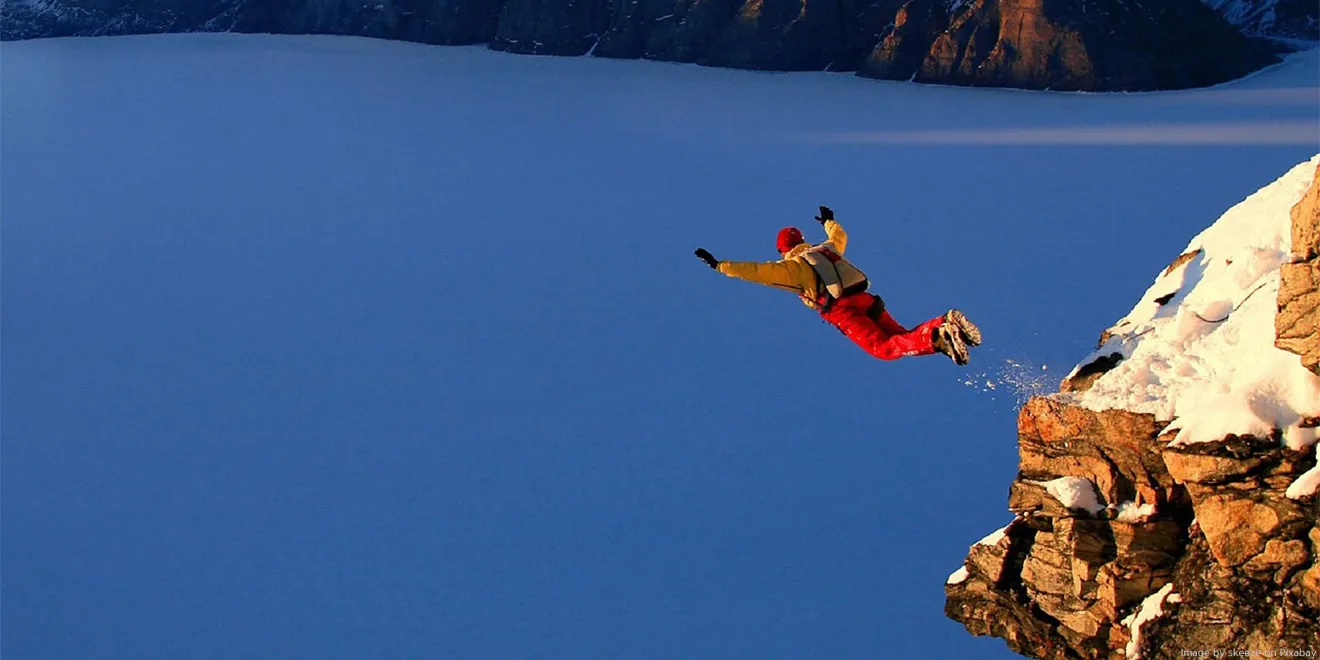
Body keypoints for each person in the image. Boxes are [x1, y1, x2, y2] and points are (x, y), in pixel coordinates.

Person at [693, 205, 981, 365]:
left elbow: (757, 271)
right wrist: (829, 221)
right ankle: (940, 326)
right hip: (867, 301)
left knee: (884, 349)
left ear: (782, 249)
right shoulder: (824, 250)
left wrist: (721, 265)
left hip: (844, 311)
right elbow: (839, 236)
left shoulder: (792, 267)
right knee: (901, 335)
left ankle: (939, 335)